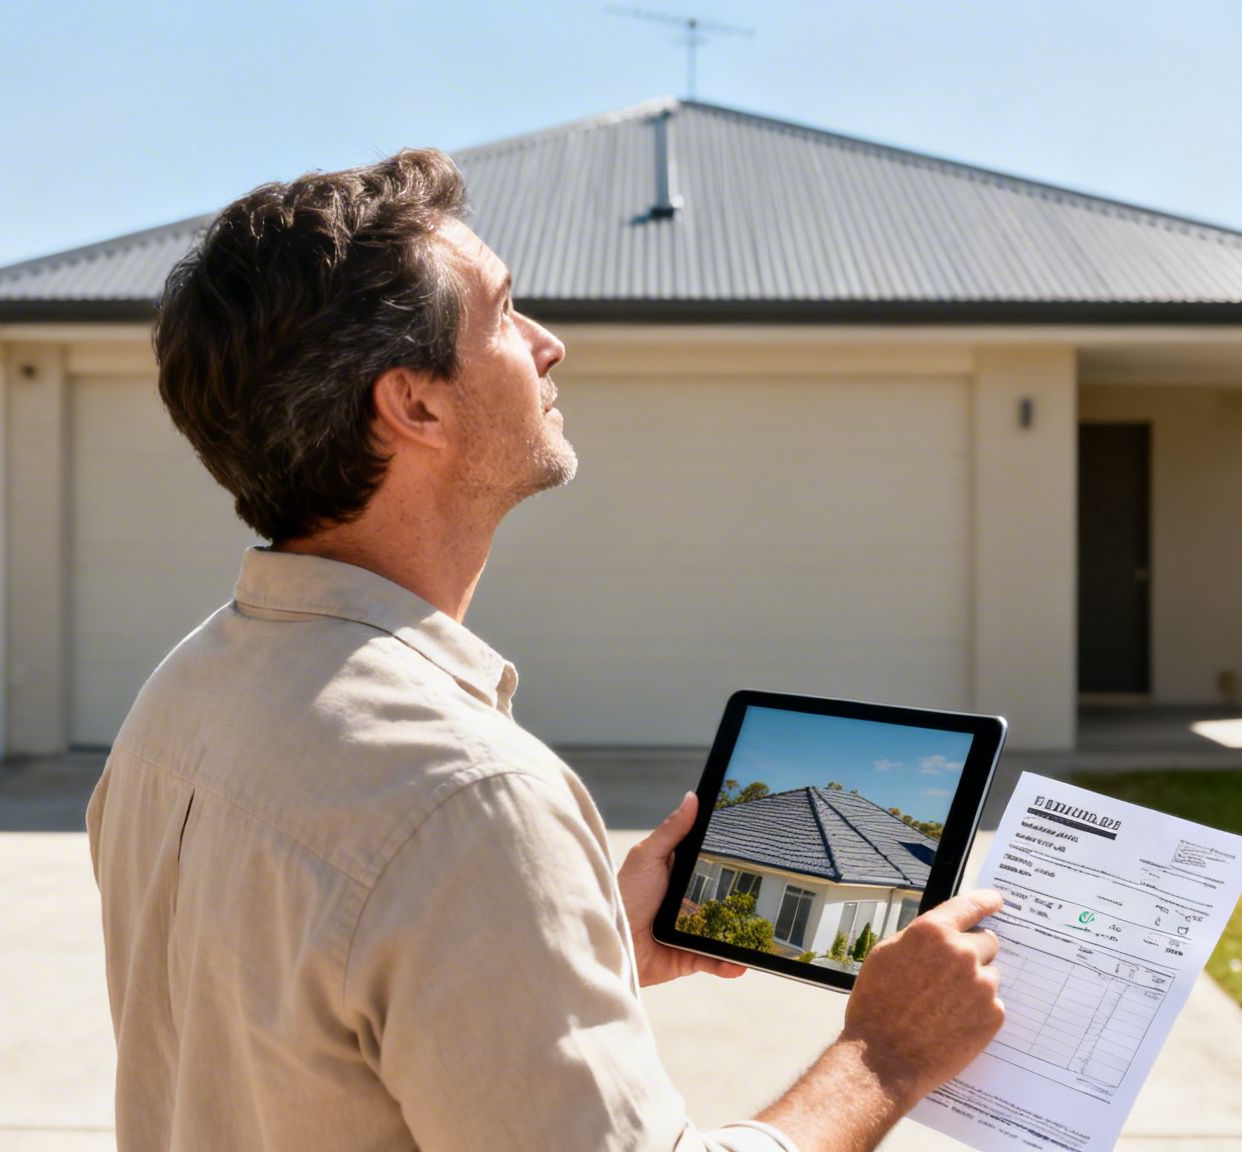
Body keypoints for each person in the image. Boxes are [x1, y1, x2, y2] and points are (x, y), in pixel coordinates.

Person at [86, 147, 1006, 1152]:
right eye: (505, 313)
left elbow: (298, 1016)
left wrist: (573, 939)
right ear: (416, 406)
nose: (548, 344)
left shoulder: (179, 697)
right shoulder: (465, 798)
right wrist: (887, 1051)